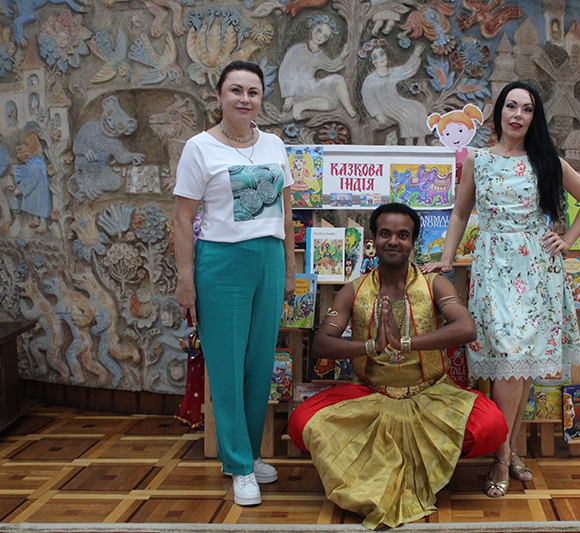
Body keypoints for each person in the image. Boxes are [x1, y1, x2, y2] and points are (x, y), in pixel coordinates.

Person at [422, 81, 580, 497]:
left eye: (527, 109)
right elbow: (460, 212)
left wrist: (567, 239)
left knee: (521, 361)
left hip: (537, 268)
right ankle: (507, 452)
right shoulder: (478, 159)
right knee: (509, 358)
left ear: (534, 118)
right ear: (499, 111)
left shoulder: (546, 160)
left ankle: (504, 454)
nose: (518, 115)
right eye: (511, 106)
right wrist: (447, 258)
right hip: (493, 267)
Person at [288, 203, 507, 530]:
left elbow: (466, 328)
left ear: (413, 242)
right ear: (373, 240)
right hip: (370, 395)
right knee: (302, 422)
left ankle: (393, 467)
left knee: (491, 424)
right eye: (385, 234)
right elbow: (322, 343)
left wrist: (406, 343)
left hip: (431, 395)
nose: (393, 241)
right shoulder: (354, 290)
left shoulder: (434, 284)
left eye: (403, 235)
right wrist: (371, 346)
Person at [173, 60, 295, 507]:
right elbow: (182, 220)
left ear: (262, 98)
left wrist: (290, 268)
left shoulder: (274, 144)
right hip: (222, 264)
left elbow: (285, 212)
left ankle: (247, 454)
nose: (245, 99)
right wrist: (186, 280)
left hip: (268, 260)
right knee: (226, 367)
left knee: (259, 364)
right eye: (236, 90)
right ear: (220, 95)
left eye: (253, 92)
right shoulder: (200, 148)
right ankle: (240, 465)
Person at [278, 14, 356, 120]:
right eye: (319, 30)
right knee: (330, 100)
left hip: (311, 86)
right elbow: (286, 71)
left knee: (333, 95)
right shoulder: (297, 49)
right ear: (312, 27)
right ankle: (298, 105)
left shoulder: (319, 54)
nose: (320, 37)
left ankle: (349, 108)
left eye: (325, 36)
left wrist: (342, 56)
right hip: (297, 89)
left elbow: (330, 65)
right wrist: (288, 96)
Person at [358, 39, 429, 145]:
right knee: (406, 114)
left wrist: (416, 54)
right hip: (386, 106)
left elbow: (407, 69)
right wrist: (378, 115)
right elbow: (369, 99)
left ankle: (421, 140)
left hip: (397, 101)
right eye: (375, 57)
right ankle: (409, 142)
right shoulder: (370, 80)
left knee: (418, 107)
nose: (380, 58)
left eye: (382, 54)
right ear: (371, 61)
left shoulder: (392, 72)